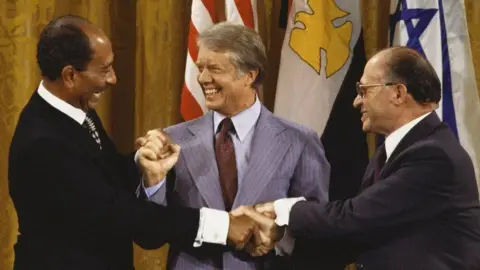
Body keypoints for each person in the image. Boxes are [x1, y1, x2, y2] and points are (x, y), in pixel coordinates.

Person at [8, 15, 256, 270]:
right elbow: (121, 215)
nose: (113, 79)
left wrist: (142, 160)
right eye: (104, 70)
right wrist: (222, 226)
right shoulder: (43, 144)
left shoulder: (75, 108)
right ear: (70, 76)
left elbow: (103, 175)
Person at [235, 46, 480, 269]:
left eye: (364, 90)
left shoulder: (433, 156)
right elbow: (360, 234)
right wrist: (281, 238)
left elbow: (353, 217)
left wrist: (281, 209)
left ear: (398, 93)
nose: (356, 101)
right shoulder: (392, 152)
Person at [146, 22, 330, 269]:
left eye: (214, 69)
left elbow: (317, 226)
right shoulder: (173, 140)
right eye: (200, 68)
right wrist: (152, 182)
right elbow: (150, 227)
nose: (203, 78)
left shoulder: (299, 141)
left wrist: (275, 237)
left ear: (249, 75)